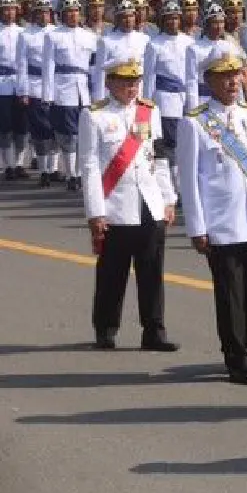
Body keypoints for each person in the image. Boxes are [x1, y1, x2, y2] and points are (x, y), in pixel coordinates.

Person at [178, 41, 247, 385]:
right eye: (224, 76)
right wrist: (197, 226)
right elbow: (189, 178)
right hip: (221, 222)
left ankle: (241, 342)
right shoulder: (195, 123)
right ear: (209, 80)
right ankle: (237, 356)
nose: (232, 81)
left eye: (236, 73)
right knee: (230, 294)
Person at [79, 55, 178, 351]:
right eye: (124, 81)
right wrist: (96, 212)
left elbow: (159, 158)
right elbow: (89, 166)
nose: (131, 87)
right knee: (112, 272)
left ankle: (154, 331)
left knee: (151, 272)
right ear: (110, 82)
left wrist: (168, 198)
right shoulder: (95, 115)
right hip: (115, 205)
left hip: (148, 203)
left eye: (135, 81)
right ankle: (106, 329)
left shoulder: (149, 112)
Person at [41, 0, 98, 192]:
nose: (73, 15)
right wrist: (47, 95)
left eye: (76, 11)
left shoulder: (89, 36)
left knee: (83, 133)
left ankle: (80, 173)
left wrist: (96, 94)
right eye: (69, 11)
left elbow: (94, 67)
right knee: (68, 135)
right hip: (63, 88)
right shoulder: (54, 36)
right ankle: (72, 174)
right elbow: (48, 67)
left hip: (83, 88)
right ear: (63, 14)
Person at [143, 0, 194, 195]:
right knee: (170, 142)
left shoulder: (189, 42)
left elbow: (192, 75)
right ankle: (176, 186)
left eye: (176, 18)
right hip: (165, 97)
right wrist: (147, 103)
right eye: (169, 18)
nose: (173, 22)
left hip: (186, 96)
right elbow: (149, 77)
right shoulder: (154, 44)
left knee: (186, 140)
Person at [17, 0, 58, 186]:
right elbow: (22, 64)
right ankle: (43, 170)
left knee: (56, 129)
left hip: (57, 86)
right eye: (40, 12)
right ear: (34, 14)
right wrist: (23, 91)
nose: (44, 15)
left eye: (47, 12)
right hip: (35, 86)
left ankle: (54, 168)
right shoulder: (25, 35)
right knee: (40, 131)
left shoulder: (58, 32)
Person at [92, 0, 150, 103]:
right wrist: (98, 99)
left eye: (131, 16)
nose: (128, 20)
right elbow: (100, 72)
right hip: (114, 93)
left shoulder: (145, 39)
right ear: (117, 19)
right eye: (124, 17)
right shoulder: (106, 41)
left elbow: (148, 71)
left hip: (139, 91)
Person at [0, 0, 28, 179]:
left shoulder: (23, 32)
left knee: (22, 125)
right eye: (5, 9)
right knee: (5, 125)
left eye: (12, 8)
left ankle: (19, 163)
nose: (9, 12)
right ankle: (8, 164)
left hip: (21, 81)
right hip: (2, 83)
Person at [185, 2, 230, 112]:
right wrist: (193, 108)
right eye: (215, 23)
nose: (219, 26)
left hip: (224, 101)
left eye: (221, 22)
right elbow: (191, 81)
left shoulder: (228, 46)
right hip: (203, 99)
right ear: (206, 24)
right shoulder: (194, 48)